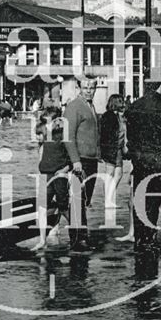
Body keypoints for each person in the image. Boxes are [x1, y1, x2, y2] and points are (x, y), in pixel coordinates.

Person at [125, 68, 161, 253]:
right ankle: (149, 239)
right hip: (156, 158)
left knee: (139, 198)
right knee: (153, 200)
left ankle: (139, 240)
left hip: (138, 159)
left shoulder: (134, 106)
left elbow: (129, 135)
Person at [63, 77, 99, 251]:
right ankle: (78, 240)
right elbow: (67, 136)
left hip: (91, 160)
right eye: (85, 88)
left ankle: (81, 235)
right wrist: (75, 160)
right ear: (79, 88)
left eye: (92, 88)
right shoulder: (74, 106)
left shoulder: (90, 106)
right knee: (78, 199)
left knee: (85, 200)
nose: (89, 91)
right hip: (80, 161)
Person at [32, 107, 70, 251]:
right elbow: (41, 154)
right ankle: (42, 240)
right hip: (45, 175)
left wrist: (65, 170)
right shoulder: (44, 136)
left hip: (59, 176)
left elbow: (71, 158)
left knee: (63, 206)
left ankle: (78, 231)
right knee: (41, 207)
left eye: (48, 123)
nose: (46, 126)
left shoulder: (63, 136)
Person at [100, 94, 127, 209]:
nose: (123, 103)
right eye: (121, 101)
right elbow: (106, 134)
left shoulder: (119, 116)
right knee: (111, 174)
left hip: (117, 149)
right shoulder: (109, 116)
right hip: (112, 149)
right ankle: (108, 200)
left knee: (117, 174)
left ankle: (109, 198)